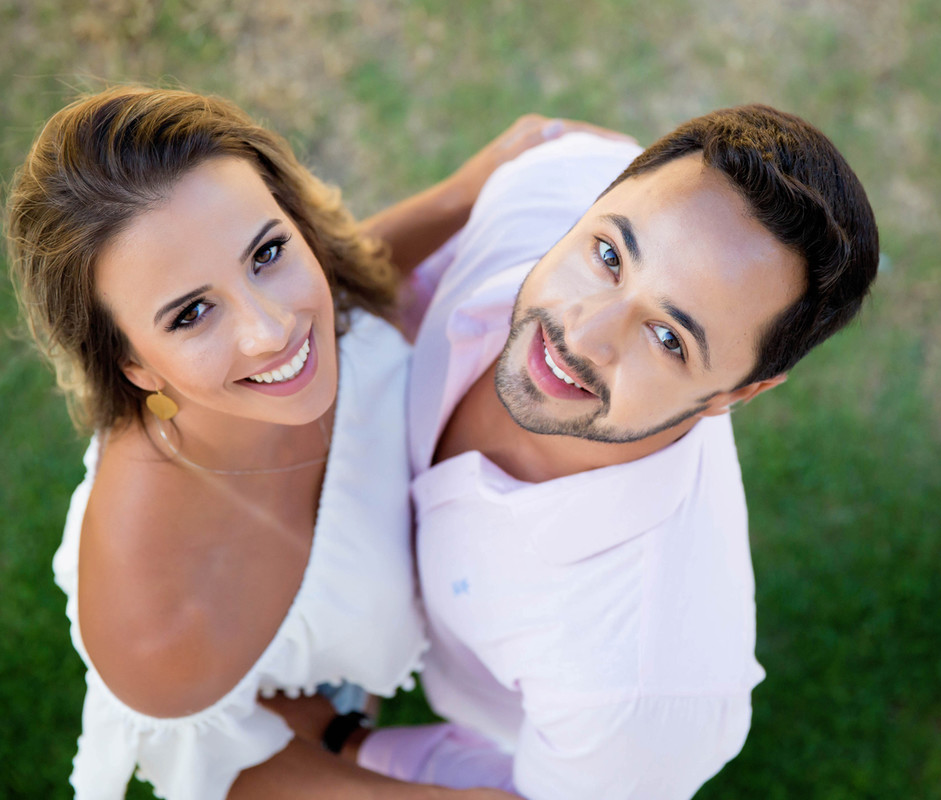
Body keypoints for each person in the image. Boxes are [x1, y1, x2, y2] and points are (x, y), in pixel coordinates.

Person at [5, 85, 626, 800]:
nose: (273, 330)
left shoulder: (307, 304)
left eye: (267, 251)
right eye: (192, 313)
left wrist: (474, 183)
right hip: (300, 695)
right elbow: (225, 764)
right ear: (134, 366)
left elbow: (351, 272)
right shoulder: (160, 625)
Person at [278, 104, 879, 798]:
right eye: (610, 256)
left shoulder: (641, 690)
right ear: (596, 197)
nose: (582, 334)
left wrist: (344, 740)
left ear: (737, 394)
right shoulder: (546, 186)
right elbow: (390, 295)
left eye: (669, 338)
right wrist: (462, 193)